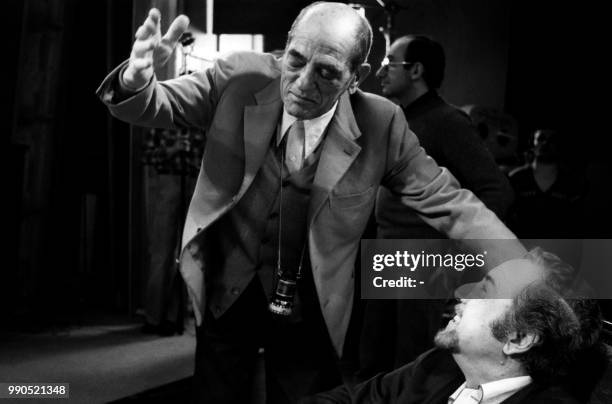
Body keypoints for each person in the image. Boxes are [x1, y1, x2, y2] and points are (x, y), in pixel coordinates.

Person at [97, 3, 524, 402]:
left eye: (326, 72)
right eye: (296, 60)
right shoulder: (239, 77)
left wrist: (523, 269)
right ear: (285, 47)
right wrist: (136, 83)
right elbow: (158, 104)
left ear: (358, 76)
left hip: (314, 303)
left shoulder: (382, 122)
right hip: (228, 287)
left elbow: (449, 201)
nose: (302, 84)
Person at [356, 35, 516, 379]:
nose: (381, 71)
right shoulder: (395, 118)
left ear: (416, 70)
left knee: (411, 365)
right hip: (387, 255)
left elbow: (496, 189)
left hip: (422, 262)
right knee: (374, 359)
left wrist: (453, 260)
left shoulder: (447, 120)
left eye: (390, 63)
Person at [305, 248, 603, 404]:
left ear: (518, 338)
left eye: (485, 290)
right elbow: (353, 399)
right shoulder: (438, 365)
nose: (462, 292)